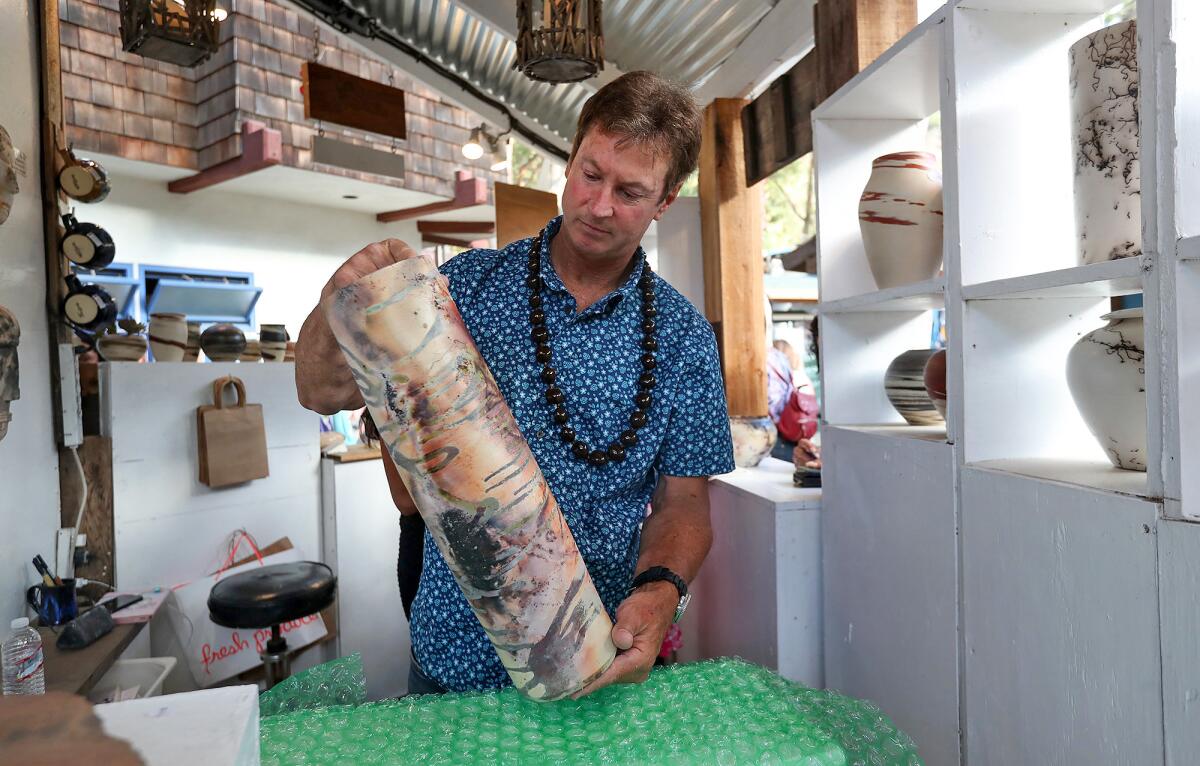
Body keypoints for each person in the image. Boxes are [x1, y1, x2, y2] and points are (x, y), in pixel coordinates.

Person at [294, 71, 734, 697]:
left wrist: (662, 590)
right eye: (590, 173)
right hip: (454, 659)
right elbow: (320, 392)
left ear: (666, 200)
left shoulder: (684, 337)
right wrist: (339, 299)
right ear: (570, 160)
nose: (600, 205)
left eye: (630, 191)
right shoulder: (467, 289)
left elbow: (685, 503)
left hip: (598, 655)